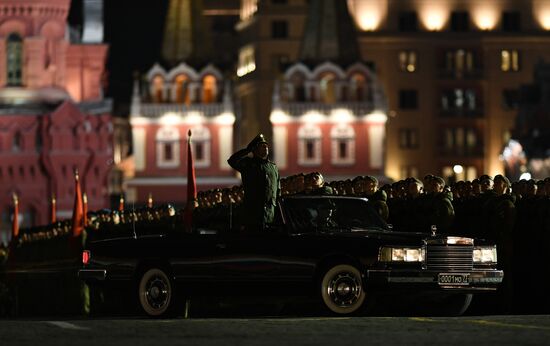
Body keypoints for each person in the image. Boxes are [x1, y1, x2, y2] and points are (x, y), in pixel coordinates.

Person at [228, 134, 280, 231]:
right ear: (254, 150)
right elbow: (232, 161)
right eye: (262, 146)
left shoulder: (273, 167)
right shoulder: (248, 164)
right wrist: (247, 150)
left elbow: (278, 191)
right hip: (253, 216)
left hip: (270, 217)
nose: (266, 148)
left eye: (266, 146)